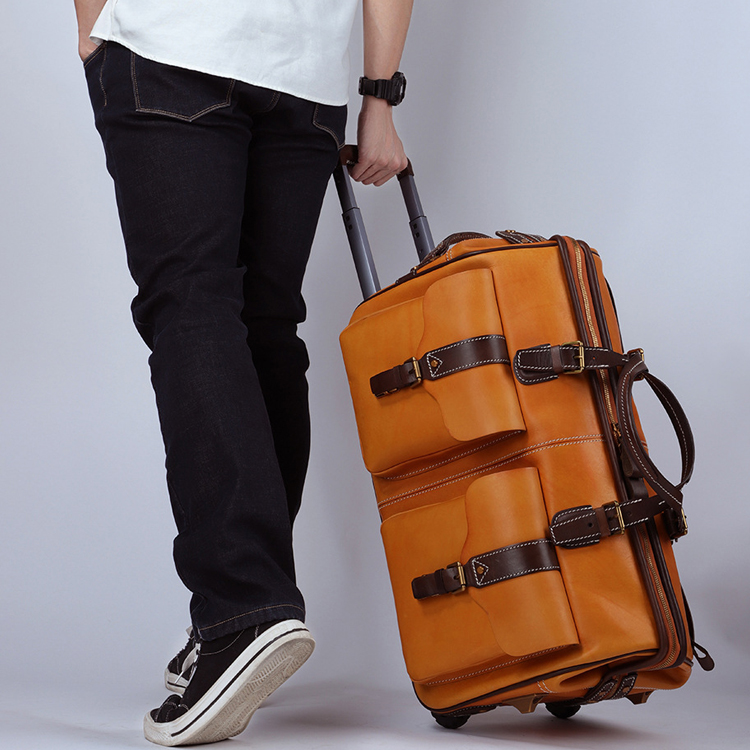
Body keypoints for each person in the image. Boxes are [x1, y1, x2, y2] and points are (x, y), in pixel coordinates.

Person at [73, 0, 413, 745]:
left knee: (192, 310)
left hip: (172, 45)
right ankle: (249, 607)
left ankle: (242, 609)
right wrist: (378, 99)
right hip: (305, 78)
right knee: (264, 330)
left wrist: (92, 30)